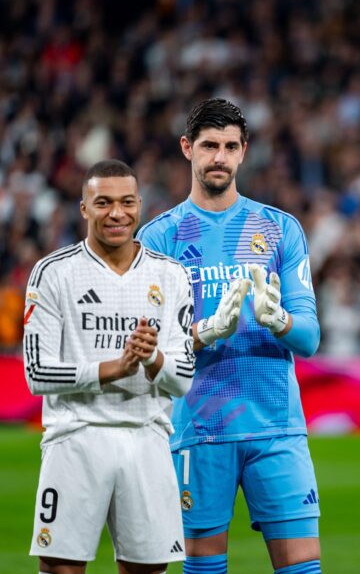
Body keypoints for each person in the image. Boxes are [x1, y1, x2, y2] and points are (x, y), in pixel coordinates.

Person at [138, 99, 321, 574]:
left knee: (303, 569)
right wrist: (201, 333)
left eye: (229, 146)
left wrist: (277, 320)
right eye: (208, 146)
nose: (219, 156)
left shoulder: (281, 229)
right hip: (199, 425)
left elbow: (310, 338)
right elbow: (147, 350)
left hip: (277, 427)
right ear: (187, 148)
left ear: (244, 152)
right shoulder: (160, 239)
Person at [24, 159, 194, 574]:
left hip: (147, 439)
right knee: (61, 566)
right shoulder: (53, 273)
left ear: (140, 206)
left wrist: (151, 357)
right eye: (103, 202)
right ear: (84, 208)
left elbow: (183, 379)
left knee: (148, 569)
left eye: (126, 202)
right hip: (76, 438)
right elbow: (37, 373)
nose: (116, 213)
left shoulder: (171, 275)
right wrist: (113, 368)